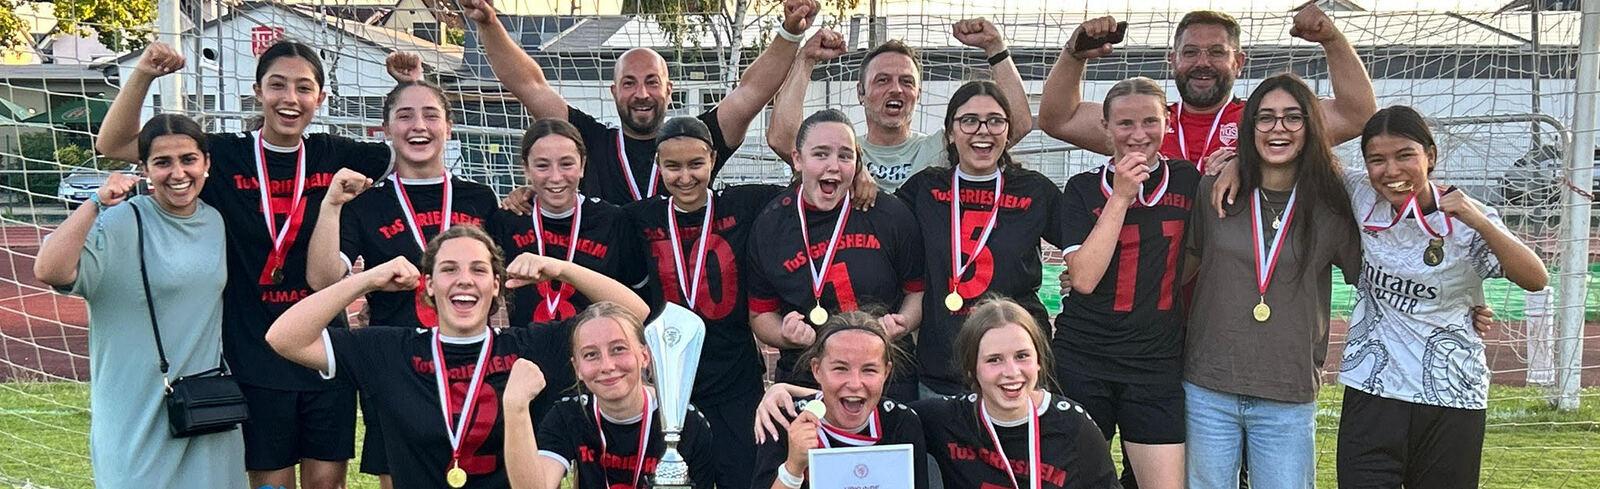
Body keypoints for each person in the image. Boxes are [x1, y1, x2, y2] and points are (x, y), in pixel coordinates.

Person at [94, 41, 404, 488]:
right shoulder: (221, 155)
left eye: (304, 87)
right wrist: (142, 73)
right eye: (277, 85)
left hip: (324, 347)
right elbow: (115, 143)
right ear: (258, 91)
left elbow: (417, 151)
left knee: (326, 483)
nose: (290, 99)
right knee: (272, 484)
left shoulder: (336, 153)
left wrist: (409, 84)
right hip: (253, 351)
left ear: (321, 97)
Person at [265, 225, 651, 488]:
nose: (464, 279)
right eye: (448, 269)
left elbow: (633, 315)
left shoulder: (531, 347)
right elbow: (284, 338)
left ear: (496, 285)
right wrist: (365, 280)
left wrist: (561, 268)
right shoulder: (389, 349)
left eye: (478, 270)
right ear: (429, 284)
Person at [303, 79, 503, 486]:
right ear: (386, 128)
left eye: (431, 115)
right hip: (399, 367)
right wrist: (332, 205)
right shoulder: (368, 202)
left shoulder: (479, 197)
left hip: (471, 364)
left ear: (449, 127)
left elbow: (500, 284)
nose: (419, 126)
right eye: (405, 115)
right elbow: (322, 279)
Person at [1336, 105, 1547, 488]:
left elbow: (1536, 278)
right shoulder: (1361, 193)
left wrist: (1480, 220)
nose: (1391, 171)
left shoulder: (1467, 219)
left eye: (1405, 156)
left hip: (1451, 397)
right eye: (1377, 160)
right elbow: (1306, 151)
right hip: (1373, 390)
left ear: (1430, 156)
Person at [34, 114, 245, 488]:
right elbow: (49, 269)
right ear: (144, 168)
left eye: (188, 159)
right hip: (136, 410)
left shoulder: (215, 221)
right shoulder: (123, 221)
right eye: (163, 162)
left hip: (206, 408)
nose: (178, 172)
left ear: (206, 163)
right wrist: (96, 202)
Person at [1181, 73, 1361, 487]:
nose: (1278, 128)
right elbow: (1181, 266)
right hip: (1209, 386)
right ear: (1250, 128)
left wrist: (1459, 299)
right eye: (1265, 118)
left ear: (1311, 127)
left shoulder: (1332, 205)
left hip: (1287, 390)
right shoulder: (1215, 191)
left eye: (1293, 117)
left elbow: (1372, 277)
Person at [460, 0, 816, 204]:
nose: (642, 94)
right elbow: (529, 85)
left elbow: (751, 92)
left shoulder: (695, 142)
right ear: (614, 92)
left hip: (680, 304)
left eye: (651, 82)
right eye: (629, 83)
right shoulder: (590, 141)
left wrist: (790, 32)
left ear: (669, 89)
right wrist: (489, 24)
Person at [754, 298, 1120, 488]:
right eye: (994, 360)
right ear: (971, 370)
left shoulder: (1073, 426)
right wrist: (793, 460)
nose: (1011, 373)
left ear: (1039, 362)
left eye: (1022, 357)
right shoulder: (941, 418)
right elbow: (852, 395)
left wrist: (795, 387)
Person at [623, 116, 785, 489]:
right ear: (657, 165)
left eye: (695, 164)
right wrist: (526, 194)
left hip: (735, 380)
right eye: (672, 166)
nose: (685, 177)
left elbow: (807, 183)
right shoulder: (638, 218)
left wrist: (857, 172)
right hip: (669, 381)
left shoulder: (746, 204)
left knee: (744, 479)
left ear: (713, 159)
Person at [1052, 77, 1197, 489]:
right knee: (1072, 480)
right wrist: (1120, 196)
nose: (1138, 135)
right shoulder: (1082, 189)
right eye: (1125, 123)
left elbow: (1195, 255)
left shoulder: (1189, 181)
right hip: (1084, 356)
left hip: (1155, 362)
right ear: (1105, 127)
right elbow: (1083, 278)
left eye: (1150, 122)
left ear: (1168, 122)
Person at [1039, 6, 1376, 173]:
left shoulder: (1265, 123)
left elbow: (1357, 115)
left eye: (1217, 52)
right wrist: (1074, 56)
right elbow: (1059, 119)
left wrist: (1332, 40)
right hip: (1156, 300)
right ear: (1173, 60)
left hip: (1231, 292)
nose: (1203, 62)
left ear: (1239, 62)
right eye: (1190, 53)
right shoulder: (1144, 125)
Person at [895, 80, 1063, 398]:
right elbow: (879, 234)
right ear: (949, 132)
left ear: (1008, 132)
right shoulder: (925, 189)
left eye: (995, 120)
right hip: (942, 368)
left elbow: (1084, 245)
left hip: (1016, 370)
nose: (982, 130)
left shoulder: (1034, 190)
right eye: (969, 120)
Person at [746, 109, 926, 402]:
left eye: (845, 156)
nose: (833, 166)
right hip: (807, 376)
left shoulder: (887, 213)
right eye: (820, 154)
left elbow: (917, 292)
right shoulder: (771, 223)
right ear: (797, 159)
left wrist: (902, 322)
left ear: (857, 163)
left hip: (885, 376)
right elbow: (760, 314)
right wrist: (784, 334)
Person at [767, 20, 1034, 192]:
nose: (896, 89)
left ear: (918, 93)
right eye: (882, 80)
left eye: (906, 81)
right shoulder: (842, 153)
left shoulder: (942, 147)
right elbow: (782, 138)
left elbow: (1018, 124)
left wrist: (995, 47)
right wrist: (805, 60)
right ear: (861, 92)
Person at [500, 302, 718, 489]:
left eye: (618, 349)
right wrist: (515, 406)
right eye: (591, 354)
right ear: (577, 368)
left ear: (644, 356)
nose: (607, 365)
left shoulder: (685, 423)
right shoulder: (568, 415)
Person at [488, 119, 651, 330]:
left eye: (566, 164)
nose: (556, 177)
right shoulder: (507, 220)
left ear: (582, 165)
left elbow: (640, 301)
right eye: (542, 166)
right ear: (526, 169)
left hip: (598, 353)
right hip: (529, 353)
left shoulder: (613, 221)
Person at [749, 313, 929, 489]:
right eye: (840, 368)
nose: (855, 383)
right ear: (817, 370)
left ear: (886, 372)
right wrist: (794, 468)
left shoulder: (900, 421)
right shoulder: (785, 420)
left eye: (869, 370)